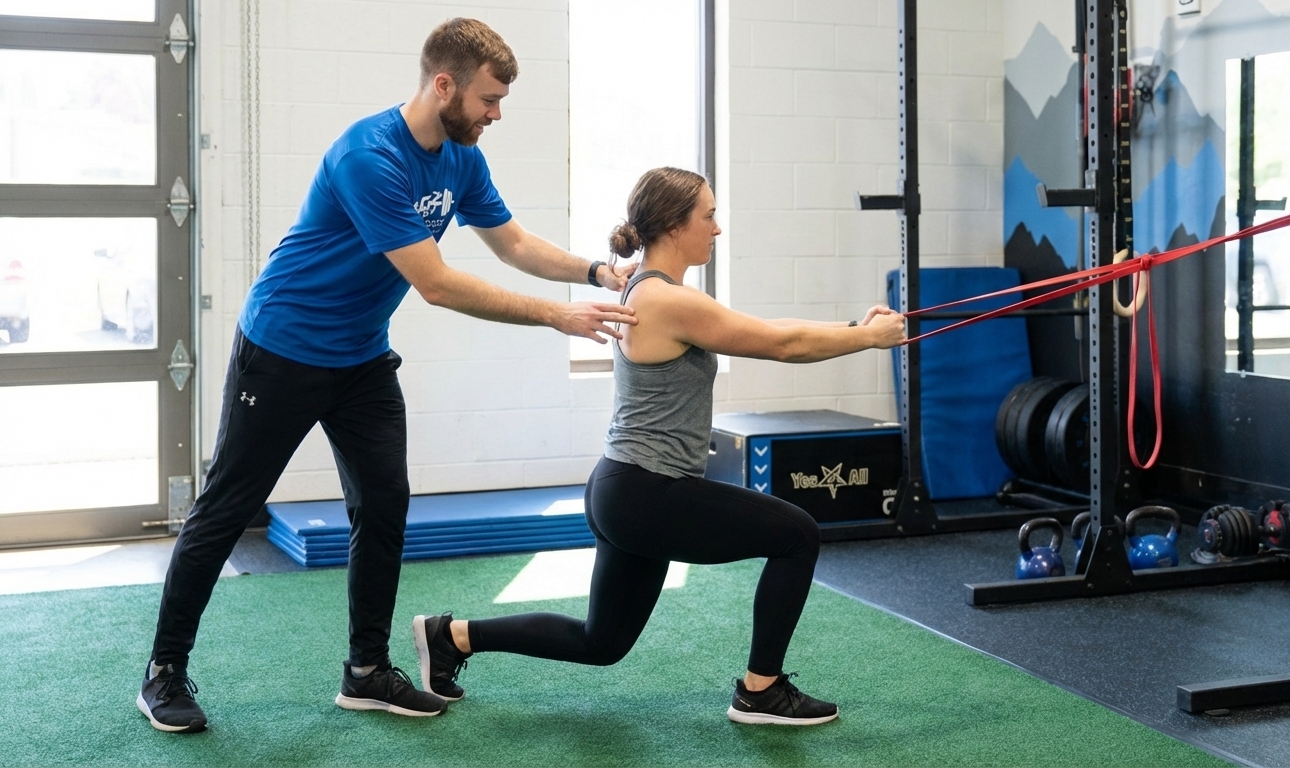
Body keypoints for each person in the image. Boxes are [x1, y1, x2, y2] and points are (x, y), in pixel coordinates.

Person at [138, 18, 639, 733]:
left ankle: (366, 670)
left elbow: (514, 242)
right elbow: (435, 284)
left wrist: (595, 270)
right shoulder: (369, 156)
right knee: (223, 512)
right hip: (282, 350)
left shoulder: (460, 157)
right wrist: (557, 318)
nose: (496, 114)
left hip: (361, 358)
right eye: (489, 99)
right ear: (445, 85)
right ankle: (163, 670)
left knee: (385, 505)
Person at [412, 167, 906, 726]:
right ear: (673, 226)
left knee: (603, 642)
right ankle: (761, 691)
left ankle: (451, 637)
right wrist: (866, 339)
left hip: (622, 488)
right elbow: (780, 344)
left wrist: (853, 327)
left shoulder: (648, 289)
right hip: (648, 492)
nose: (717, 229)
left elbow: (770, 330)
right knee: (798, 535)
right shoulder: (667, 301)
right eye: (709, 216)